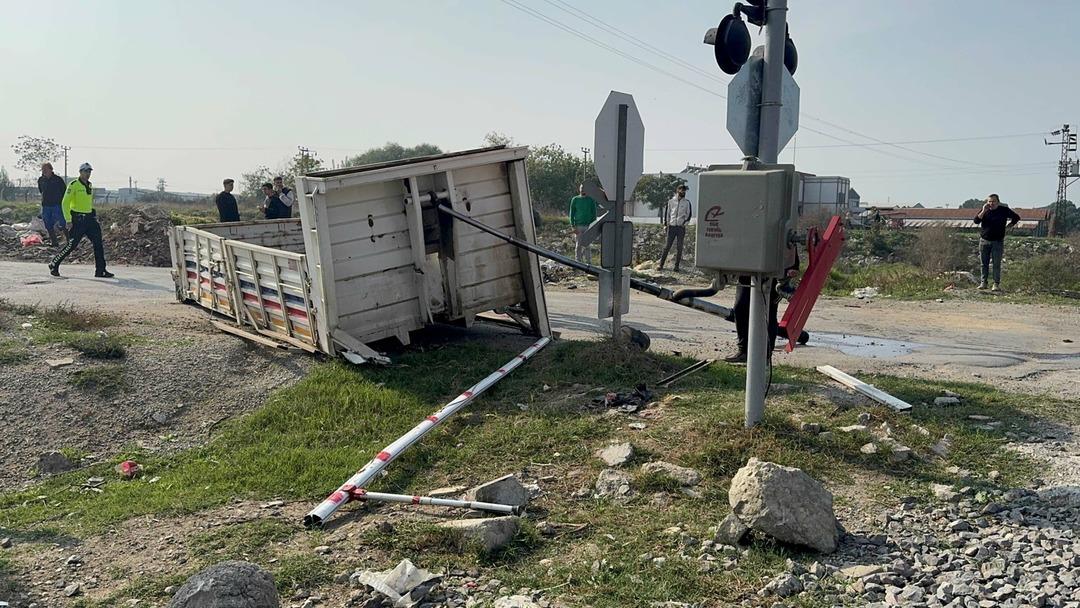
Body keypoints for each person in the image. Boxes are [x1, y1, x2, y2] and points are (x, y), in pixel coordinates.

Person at [48, 163, 112, 278]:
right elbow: (65, 203)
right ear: (80, 172)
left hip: (90, 219)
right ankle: (54, 263)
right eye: (85, 171)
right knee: (72, 245)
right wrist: (68, 220)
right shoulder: (74, 185)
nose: (87, 174)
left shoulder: (89, 185)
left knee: (98, 243)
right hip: (78, 219)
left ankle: (101, 270)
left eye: (89, 172)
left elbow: (86, 203)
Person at [973, 193, 1020, 291]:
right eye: (989, 201)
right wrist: (983, 210)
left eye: (993, 201)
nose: (991, 203)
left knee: (996, 264)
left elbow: (1016, 217)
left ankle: (996, 284)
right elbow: (976, 221)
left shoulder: (1004, 210)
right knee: (983, 263)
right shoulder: (984, 210)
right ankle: (983, 283)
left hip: (997, 241)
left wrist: (1009, 226)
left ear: (998, 202)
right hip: (984, 240)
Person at [659, 184, 692, 272]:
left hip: (681, 227)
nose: (683, 192)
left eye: (684, 191)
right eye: (682, 190)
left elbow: (688, 215)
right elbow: (667, 214)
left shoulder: (687, 202)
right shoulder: (670, 202)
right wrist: (666, 225)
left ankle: (676, 266)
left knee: (679, 247)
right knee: (667, 246)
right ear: (678, 191)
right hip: (672, 227)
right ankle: (661, 265)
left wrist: (684, 224)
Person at [37, 162, 67, 247]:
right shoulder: (41, 180)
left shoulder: (58, 180)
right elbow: (41, 191)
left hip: (57, 205)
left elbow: (64, 191)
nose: (44, 171)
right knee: (47, 223)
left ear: (51, 169)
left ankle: (69, 241)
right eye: (43, 170)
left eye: (45, 169)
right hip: (46, 205)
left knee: (62, 222)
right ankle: (54, 242)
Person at [568, 184, 597, 263]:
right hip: (578, 225)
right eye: (581, 188)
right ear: (579, 189)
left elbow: (594, 213)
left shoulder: (590, 200)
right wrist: (573, 226)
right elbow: (572, 214)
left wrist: (592, 225)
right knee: (578, 245)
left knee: (587, 245)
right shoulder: (575, 199)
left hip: (588, 226)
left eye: (584, 189)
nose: (583, 190)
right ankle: (578, 262)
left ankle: (588, 262)